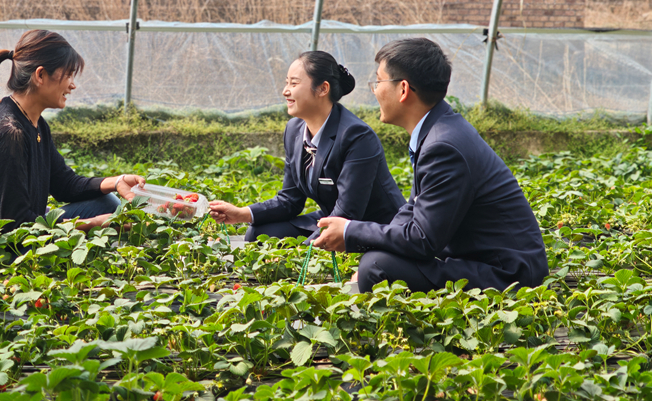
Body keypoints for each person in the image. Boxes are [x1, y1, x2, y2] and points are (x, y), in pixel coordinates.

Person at [314, 38, 548, 293]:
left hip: (508, 274)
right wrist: (370, 239)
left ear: (403, 90)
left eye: (378, 81)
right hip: (482, 260)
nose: (375, 90)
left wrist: (350, 231)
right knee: (376, 261)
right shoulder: (438, 130)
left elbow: (422, 240)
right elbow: (413, 210)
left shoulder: (442, 146)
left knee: (376, 267)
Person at [0, 29, 145, 231]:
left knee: (107, 203)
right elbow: (16, 224)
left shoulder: (36, 124)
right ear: (40, 75)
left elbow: (64, 185)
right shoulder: (8, 132)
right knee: (104, 216)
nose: (73, 85)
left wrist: (117, 182)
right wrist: (93, 224)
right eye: (68, 75)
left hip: (16, 231)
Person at [209, 51, 405, 242]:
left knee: (297, 247)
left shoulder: (356, 136)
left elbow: (347, 213)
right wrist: (241, 214)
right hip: (331, 217)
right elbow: (289, 200)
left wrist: (302, 252)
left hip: (370, 227)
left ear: (322, 89)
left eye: (294, 83)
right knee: (258, 233)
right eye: (287, 82)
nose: (285, 91)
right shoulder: (294, 130)